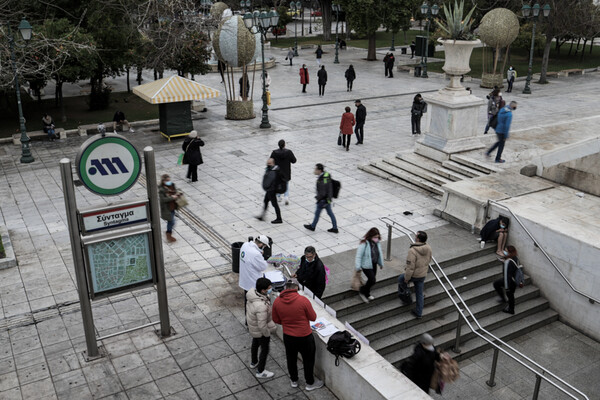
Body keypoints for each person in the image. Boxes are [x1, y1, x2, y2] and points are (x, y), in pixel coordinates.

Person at [272, 279, 324, 391]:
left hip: (288, 337)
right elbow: (313, 317)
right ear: (296, 288)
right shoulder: (303, 300)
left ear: (286, 288)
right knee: (308, 360)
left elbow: (276, 319)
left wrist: (287, 323)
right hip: (305, 336)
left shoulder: (277, 302)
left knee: (291, 358)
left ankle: (294, 380)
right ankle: (310, 383)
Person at [246, 277, 277, 378]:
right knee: (265, 349)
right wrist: (267, 334)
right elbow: (262, 325)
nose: (270, 288)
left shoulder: (252, 295)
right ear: (263, 290)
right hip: (260, 330)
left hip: (253, 327)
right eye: (269, 288)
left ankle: (254, 362)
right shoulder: (261, 306)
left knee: (255, 344)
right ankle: (260, 371)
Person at [398, 231, 432, 319]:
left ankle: (407, 297)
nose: (414, 237)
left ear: (418, 239)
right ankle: (419, 312)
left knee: (401, 280)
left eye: (416, 236)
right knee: (419, 293)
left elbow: (410, 267)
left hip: (414, 275)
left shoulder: (412, 250)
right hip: (422, 275)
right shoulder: (428, 247)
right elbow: (429, 259)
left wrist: (407, 278)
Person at [239, 235, 270, 322]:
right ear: (261, 244)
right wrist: (261, 256)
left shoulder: (245, 245)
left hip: (245, 280)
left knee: (247, 303)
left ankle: (247, 321)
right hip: (253, 283)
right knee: (254, 305)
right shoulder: (256, 254)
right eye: (264, 246)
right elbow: (263, 266)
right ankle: (252, 323)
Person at [303, 163, 338, 233]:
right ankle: (335, 228)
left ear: (319, 170)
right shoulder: (326, 176)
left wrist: (318, 198)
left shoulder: (322, 180)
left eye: (315, 169)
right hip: (327, 199)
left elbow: (323, 192)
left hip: (323, 200)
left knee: (317, 214)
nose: (314, 171)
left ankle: (313, 226)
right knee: (330, 213)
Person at [355, 228, 385, 303]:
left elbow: (379, 253)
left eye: (377, 237)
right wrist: (358, 266)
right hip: (366, 265)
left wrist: (380, 263)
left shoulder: (377, 243)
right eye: (375, 237)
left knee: (372, 280)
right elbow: (359, 256)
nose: (376, 239)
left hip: (373, 264)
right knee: (372, 280)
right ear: (370, 236)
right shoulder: (364, 243)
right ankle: (363, 291)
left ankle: (366, 291)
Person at [493, 245, 520, 314]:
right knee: (496, 284)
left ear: (509, 253)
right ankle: (505, 300)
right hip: (514, 280)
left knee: (510, 295)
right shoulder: (515, 258)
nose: (504, 252)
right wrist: (504, 261)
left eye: (506, 251)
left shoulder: (508, 262)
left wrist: (507, 287)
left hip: (509, 282)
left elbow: (507, 276)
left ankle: (511, 309)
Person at [270, 139, 297, 205]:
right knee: (286, 184)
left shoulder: (274, 153)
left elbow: (270, 161)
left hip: (277, 172)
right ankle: (286, 196)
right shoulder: (289, 152)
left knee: (278, 184)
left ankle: (278, 196)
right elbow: (294, 160)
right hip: (286, 172)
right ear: (284, 145)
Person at [257, 158, 282, 224]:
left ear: (273, 163)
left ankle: (279, 218)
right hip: (269, 190)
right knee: (265, 201)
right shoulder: (271, 169)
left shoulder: (273, 171)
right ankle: (262, 216)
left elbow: (270, 181)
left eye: (269, 163)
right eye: (267, 163)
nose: (268, 164)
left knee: (275, 205)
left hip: (271, 190)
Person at [158, 174, 182, 243]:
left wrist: (178, 194)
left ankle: (168, 234)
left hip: (173, 206)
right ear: (163, 181)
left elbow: (176, 191)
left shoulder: (172, 185)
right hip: (167, 208)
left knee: (171, 221)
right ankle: (168, 234)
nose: (169, 182)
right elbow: (163, 200)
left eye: (169, 180)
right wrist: (172, 197)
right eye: (167, 180)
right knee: (171, 221)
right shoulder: (161, 190)